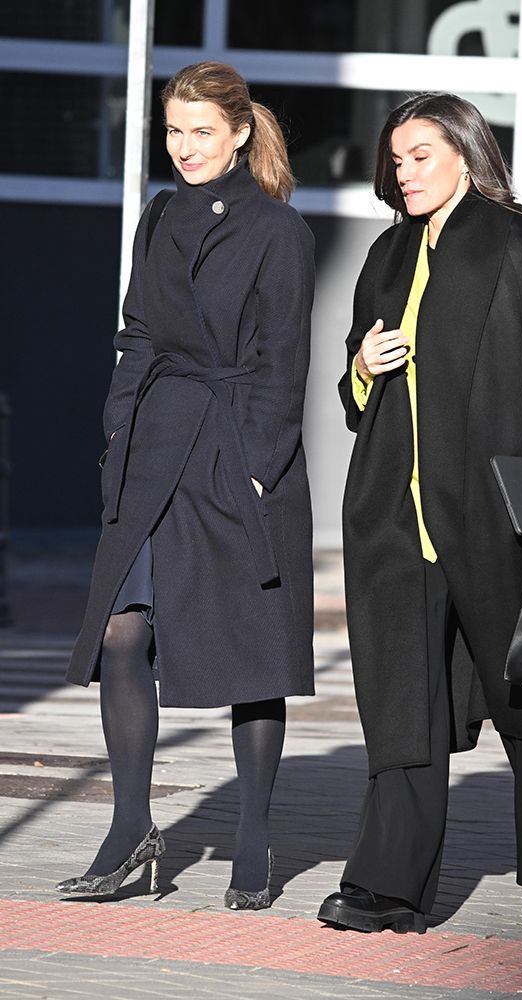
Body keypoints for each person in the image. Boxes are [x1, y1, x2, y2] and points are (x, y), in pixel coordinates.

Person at [317, 93, 522, 934]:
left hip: (492, 518)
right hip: (393, 518)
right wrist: (363, 367)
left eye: (421, 153)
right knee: (398, 706)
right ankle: (387, 887)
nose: (404, 170)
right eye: (397, 157)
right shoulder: (384, 255)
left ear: (464, 153)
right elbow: (354, 391)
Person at [57, 61, 315, 908]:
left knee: (250, 653)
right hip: (155, 443)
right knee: (123, 636)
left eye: (201, 130)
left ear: (240, 131)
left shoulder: (279, 232)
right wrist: (119, 432)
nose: (185, 147)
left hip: (236, 451)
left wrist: (256, 462)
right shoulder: (159, 216)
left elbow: (283, 362)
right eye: (174, 131)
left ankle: (253, 836)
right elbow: (137, 329)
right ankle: (130, 826)